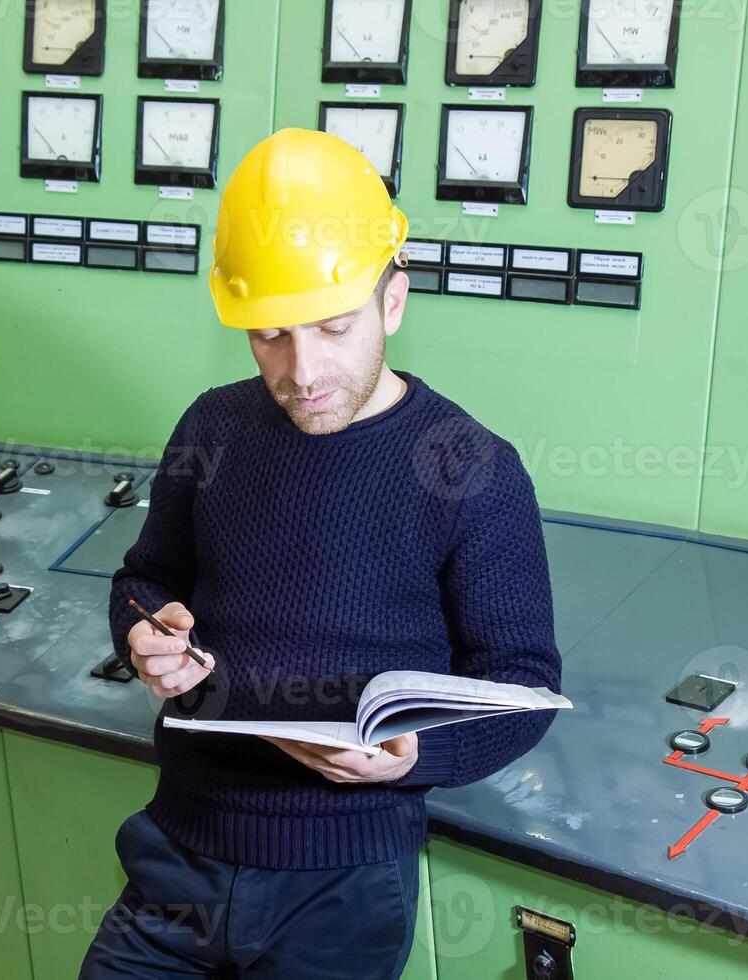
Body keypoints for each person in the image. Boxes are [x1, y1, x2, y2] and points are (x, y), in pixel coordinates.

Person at [79, 128, 562, 979]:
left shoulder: (469, 467)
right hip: (175, 859)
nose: (302, 370)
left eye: (334, 328)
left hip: (344, 886)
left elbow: (523, 690)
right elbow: (143, 579)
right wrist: (145, 634)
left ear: (394, 303)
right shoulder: (212, 426)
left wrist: (415, 755)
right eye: (270, 336)